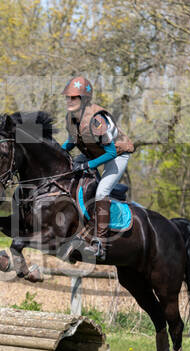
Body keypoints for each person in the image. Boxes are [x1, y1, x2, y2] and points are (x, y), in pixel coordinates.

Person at [60, 76, 135, 261]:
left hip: (116, 154)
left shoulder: (96, 120)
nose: (69, 101)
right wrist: (56, 152)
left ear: (84, 99)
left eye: (74, 97)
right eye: (68, 97)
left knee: (101, 192)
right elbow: (72, 141)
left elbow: (110, 152)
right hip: (94, 152)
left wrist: (88, 165)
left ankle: (99, 242)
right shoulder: (71, 117)